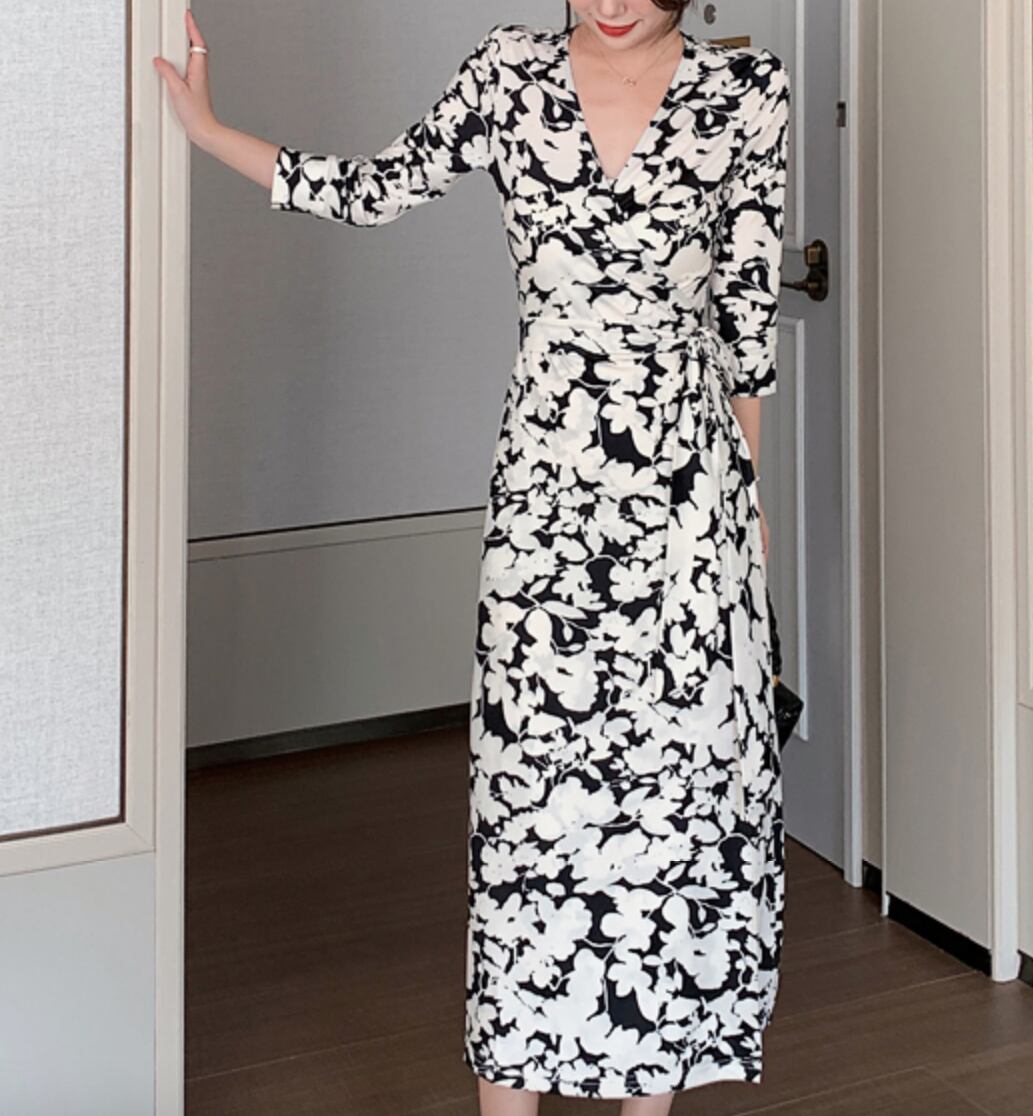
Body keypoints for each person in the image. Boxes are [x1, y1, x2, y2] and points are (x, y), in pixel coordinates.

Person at [156, 2, 790, 1113]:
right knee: (528, 805)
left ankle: (649, 1088)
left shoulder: (747, 93)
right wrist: (210, 132)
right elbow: (376, 188)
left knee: (675, 809)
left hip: (689, 498)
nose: (611, 2)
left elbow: (745, 315)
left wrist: (749, 492)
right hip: (547, 493)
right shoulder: (508, 72)